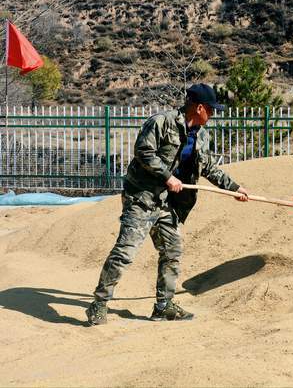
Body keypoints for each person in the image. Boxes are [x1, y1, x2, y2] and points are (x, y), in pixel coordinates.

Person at [86, 83, 249, 325]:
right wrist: (167, 176)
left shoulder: (201, 135)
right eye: (211, 110)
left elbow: (209, 167)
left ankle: (163, 306)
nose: (213, 115)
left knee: (171, 252)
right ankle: (99, 304)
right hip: (141, 197)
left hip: (168, 203)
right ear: (199, 107)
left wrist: (234, 188)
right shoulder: (162, 122)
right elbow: (143, 151)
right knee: (125, 251)